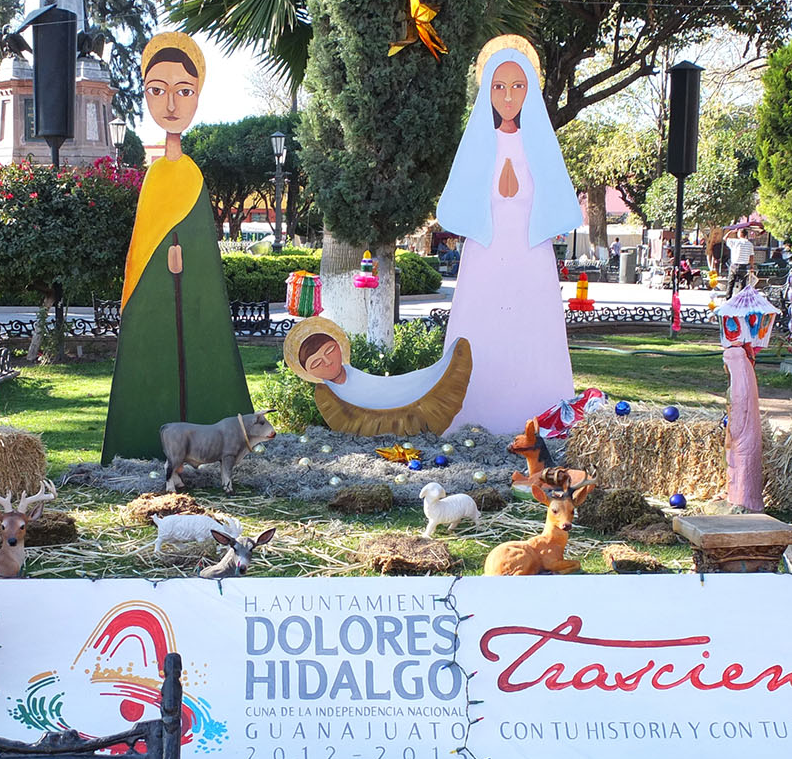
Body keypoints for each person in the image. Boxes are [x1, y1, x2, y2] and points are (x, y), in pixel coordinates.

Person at [102, 32, 254, 464]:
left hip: (195, 300)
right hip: (153, 296)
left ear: (197, 96)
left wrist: (187, 261)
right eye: (158, 91)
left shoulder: (193, 174)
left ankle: (208, 441)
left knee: (199, 354)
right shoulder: (154, 178)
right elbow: (142, 244)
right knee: (156, 357)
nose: (171, 105)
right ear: (146, 95)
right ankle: (143, 438)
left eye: (183, 92)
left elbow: (201, 244)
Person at [435, 34, 582, 435]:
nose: (508, 96)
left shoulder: (540, 145)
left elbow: (553, 194)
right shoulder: (478, 143)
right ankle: (471, 414)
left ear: (529, 90)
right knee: (482, 329)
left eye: (518, 86)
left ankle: (540, 414)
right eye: (499, 86)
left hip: (530, 251)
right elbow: (462, 196)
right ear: (487, 91)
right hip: (485, 251)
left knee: (531, 331)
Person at [283, 316, 472, 437]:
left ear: (339, 347)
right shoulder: (327, 396)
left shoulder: (355, 376)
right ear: (308, 373)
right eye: (316, 364)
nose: (327, 362)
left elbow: (390, 387)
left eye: (330, 350)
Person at [725, 227, 755, 297]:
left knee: (731, 283)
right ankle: (740, 298)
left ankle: (728, 298)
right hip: (744, 266)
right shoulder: (750, 244)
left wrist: (731, 232)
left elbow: (725, 238)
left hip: (734, 265)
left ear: (740, 234)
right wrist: (751, 266)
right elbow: (751, 256)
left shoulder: (735, 242)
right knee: (742, 283)